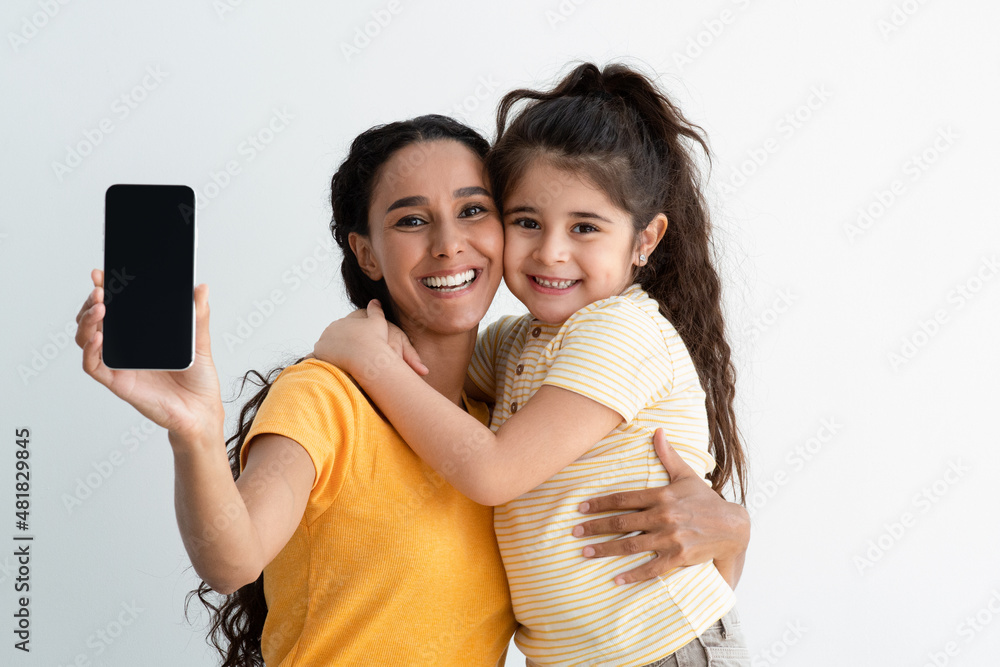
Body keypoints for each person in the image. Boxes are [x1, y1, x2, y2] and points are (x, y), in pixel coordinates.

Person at [75, 113, 749, 666]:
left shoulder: (502, 415)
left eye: (474, 210)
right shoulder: (328, 397)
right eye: (410, 220)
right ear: (366, 253)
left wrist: (734, 528)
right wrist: (192, 430)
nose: (450, 243)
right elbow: (233, 559)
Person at [310, 63, 750, 666]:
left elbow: (491, 471)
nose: (551, 251)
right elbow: (438, 384)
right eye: (526, 223)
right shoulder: (522, 342)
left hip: (662, 650)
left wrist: (368, 360)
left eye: (585, 227)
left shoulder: (620, 330)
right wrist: (367, 337)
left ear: (644, 240)